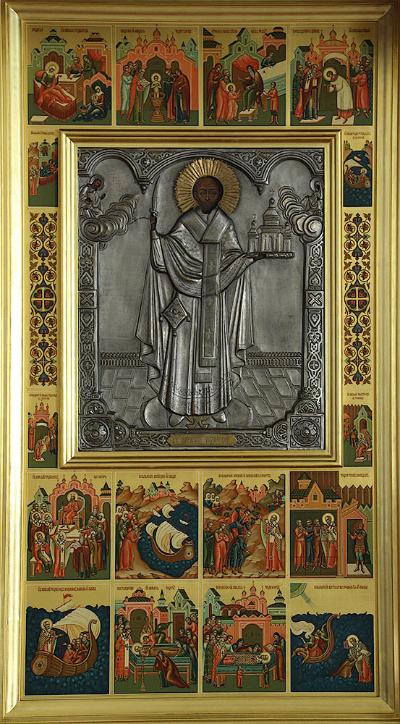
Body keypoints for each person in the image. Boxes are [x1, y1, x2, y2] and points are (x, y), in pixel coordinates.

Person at [136, 164, 262, 425]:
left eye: (212, 192)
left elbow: (233, 256)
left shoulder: (224, 225)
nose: (207, 196)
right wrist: (155, 234)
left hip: (213, 300)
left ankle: (215, 405)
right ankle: (179, 406)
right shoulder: (185, 223)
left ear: (220, 195)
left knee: (214, 351)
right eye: (202, 191)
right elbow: (165, 258)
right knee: (182, 350)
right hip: (186, 300)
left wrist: (245, 260)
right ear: (193, 194)